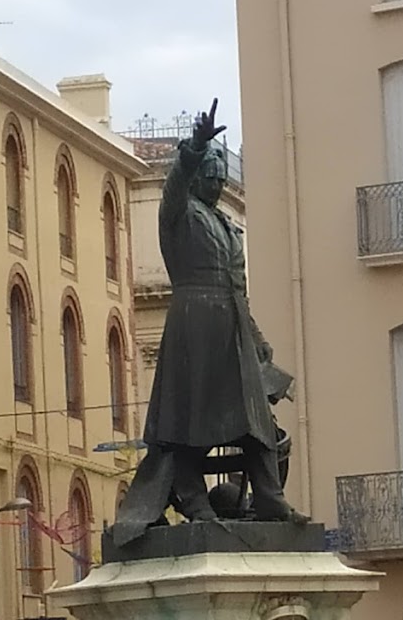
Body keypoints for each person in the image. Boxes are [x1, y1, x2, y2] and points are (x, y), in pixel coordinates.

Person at [114, 100, 301, 541]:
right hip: (193, 324)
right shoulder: (178, 214)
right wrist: (195, 147)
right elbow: (174, 184)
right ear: (197, 178)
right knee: (189, 422)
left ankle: (270, 497)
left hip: (231, 325)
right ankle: (195, 501)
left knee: (256, 420)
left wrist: (256, 338)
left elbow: (238, 286)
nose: (217, 183)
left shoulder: (226, 224)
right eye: (210, 177)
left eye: (221, 178)